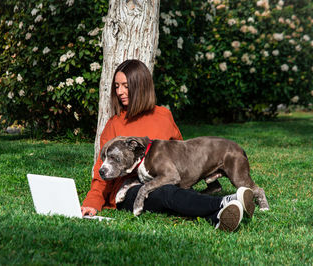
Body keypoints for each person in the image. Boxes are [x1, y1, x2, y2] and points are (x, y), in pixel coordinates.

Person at [81, 59, 255, 232]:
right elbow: (101, 170)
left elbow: (183, 154)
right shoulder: (115, 124)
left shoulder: (163, 116)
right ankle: (226, 202)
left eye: (125, 86)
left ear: (141, 86)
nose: (120, 91)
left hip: (167, 180)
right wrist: (92, 202)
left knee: (175, 192)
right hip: (129, 190)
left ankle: (218, 217)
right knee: (165, 193)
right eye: (117, 86)